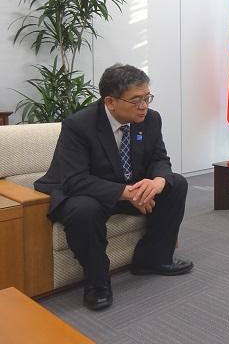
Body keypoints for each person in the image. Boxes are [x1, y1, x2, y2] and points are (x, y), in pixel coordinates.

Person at [35, 64, 193, 311]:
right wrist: (129, 194)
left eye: (147, 97)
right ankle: (97, 283)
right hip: (86, 190)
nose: (144, 106)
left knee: (176, 184)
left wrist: (158, 182)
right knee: (83, 209)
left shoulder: (151, 119)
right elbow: (76, 180)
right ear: (110, 102)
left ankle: (153, 260)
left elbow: (159, 159)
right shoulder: (79, 125)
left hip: (126, 186)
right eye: (136, 100)